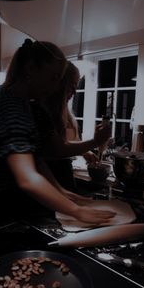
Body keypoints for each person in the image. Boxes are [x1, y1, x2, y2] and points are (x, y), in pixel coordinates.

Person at [0, 39, 115, 233]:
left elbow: (36, 159)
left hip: (2, 202)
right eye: (53, 77)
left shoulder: (21, 103)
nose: (55, 87)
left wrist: (60, 190)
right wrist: (76, 211)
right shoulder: (8, 104)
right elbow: (27, 177)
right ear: (31, 69)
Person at [43, 61, 98, 191]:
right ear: (59, 84)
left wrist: (85, 151)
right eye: (71, 86)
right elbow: (58, 148)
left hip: (65, 171)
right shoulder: (44, 112)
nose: (74, 92)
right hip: (50, 173)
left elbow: (73, 140)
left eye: (76, 87)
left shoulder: (66, 112)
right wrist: (96, 141)